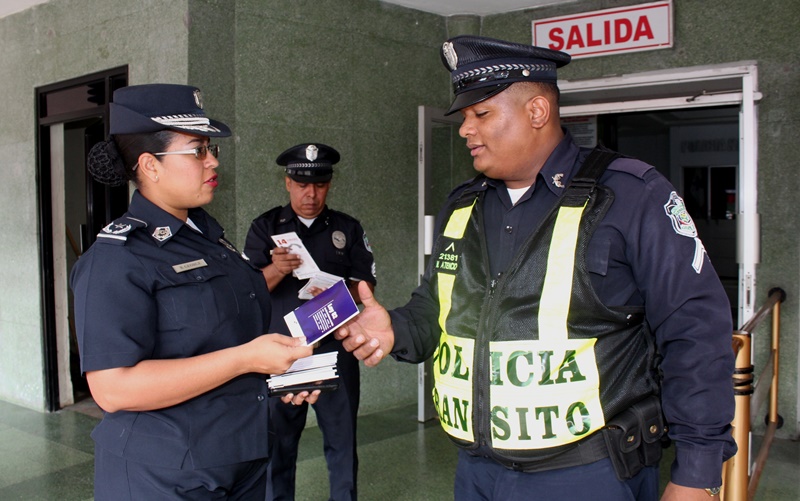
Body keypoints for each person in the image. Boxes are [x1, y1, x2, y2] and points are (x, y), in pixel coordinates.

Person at [336, 35, 736, 501]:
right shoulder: (462, 206)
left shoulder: (628, 196)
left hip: (589, 475)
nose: (466, 129)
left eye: (481, 114)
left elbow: (694, 331)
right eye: (464, 117)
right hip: (476, 471)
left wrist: (697, 472)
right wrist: (395, 329)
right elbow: (436, 310)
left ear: (537, 112)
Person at [70, 83, 319, 500]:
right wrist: (246, 358)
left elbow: (221, 340)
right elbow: (113, 389)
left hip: (240, 458)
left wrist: (281, 371)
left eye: (211, 149)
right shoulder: (117, 259)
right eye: (197, 151)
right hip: (164, 475)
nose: (212, 161)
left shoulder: (207, 238)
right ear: (150, 165)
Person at [243, 143, 377, 501]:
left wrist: (337, 294)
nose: (311, 194)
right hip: (283, 353)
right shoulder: (265, 227)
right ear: (288, 183)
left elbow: (365, 284)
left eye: (319, 185)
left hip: (334, 350)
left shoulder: (347, 229)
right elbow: (249, 291)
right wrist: (276, 269)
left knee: (342, 442)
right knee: (279, 447)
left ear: (329, 184)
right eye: (302, 185)